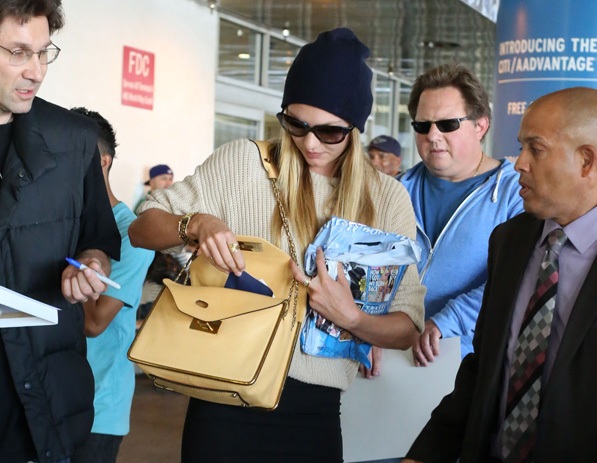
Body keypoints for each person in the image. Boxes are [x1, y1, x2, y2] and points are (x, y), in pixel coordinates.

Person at [129, 27, 425, 463]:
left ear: (356, 128)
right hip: (222, 401)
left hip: (316, 416)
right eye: (296, 124)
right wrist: (196, 223)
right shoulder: (243, 163)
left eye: (329, 132)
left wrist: (352, 318)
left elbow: (408, 325)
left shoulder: (386, 199)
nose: (309, 143)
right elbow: (141, 228)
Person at [403, 87, 597, 463]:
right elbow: (483, 369)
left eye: (536, 148)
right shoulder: (509, 242)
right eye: (520, 147)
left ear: (586, 162)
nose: (518, 164)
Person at [0, 2, 121, 462]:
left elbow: (100, 239)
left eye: (44, 52)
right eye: (18, 52)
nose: (36, 71)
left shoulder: (73, 141)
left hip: (46, 396)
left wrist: (92, 263)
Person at [398, 63, 523, 366]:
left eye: (448, 124)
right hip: (389, 360)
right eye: (422, 125)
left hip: (470, 364)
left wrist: (447, 321)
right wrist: (368, 329)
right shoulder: (395, 191)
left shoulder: (516, 194)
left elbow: (518, 278)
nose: (433, 135)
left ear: (481, 125)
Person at [69, 108, 154, 463]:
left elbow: (94, 322)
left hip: (100, 406)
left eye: (74, 156)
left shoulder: (130, 234)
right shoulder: (67, 223)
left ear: (103, 162)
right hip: (54, 396)